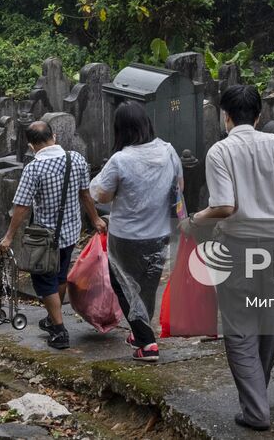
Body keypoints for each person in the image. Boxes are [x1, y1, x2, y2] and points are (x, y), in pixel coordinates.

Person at [182, 84, 274, 431]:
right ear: (259, 115)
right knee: (269, 322)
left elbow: (225, 206)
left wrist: (194, 220)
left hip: (238, 247)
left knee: (239, 327)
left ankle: (255, 410)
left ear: (225, 117)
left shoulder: (220, 151)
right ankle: (259, 395)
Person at [89, 101, 183, 362]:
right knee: (147, 286)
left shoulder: (121, 159)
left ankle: (147, 342)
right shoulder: (169, 151)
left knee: (123, 285)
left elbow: (100, 194)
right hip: (160, 233)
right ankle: (139, 329)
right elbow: (179, 188)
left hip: (127, 237)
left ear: (121, 129)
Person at [0, 120, 105, 350]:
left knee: (44, 282)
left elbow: (22, 206)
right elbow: (85, 194)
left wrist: (9, 236)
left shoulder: (34, 168)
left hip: (44, 239)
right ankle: (51, 319)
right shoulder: (75, 159)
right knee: (60, 276)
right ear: (54, 136)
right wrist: (95, 219)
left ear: (31, 145)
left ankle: (59, 330)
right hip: (70, 231)